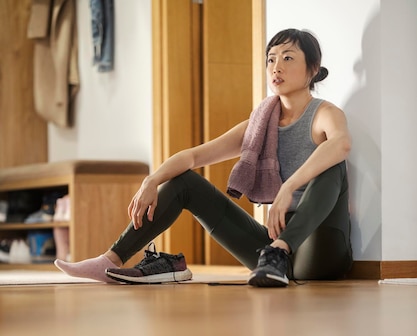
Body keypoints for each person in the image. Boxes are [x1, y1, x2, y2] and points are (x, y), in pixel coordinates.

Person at [55, 28, 353, 288]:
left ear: (313, 69)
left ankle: (279, 251)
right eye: (271, 59)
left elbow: (341, 144)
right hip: (273, 255)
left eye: (287, 57)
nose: (276, 66)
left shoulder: (324, 114)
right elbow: (194, 155)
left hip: (320, 249)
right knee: (184, 181)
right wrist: (152, 179)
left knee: (332, 166)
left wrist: (288, 188)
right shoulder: (261, 124)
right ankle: (111, 258)